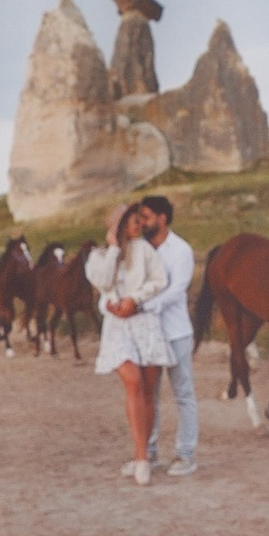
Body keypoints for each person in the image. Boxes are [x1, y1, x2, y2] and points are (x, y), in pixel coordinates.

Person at [86, 196, 170, 486]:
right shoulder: (98, 257)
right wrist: (112, 249)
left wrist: (135, 298)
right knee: (133, 382)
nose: (140, 225)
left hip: (144, 324)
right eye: (134, 221)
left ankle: (140, 456)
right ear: (118, 225)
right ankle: (142, 459)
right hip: (117, 328)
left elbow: (160, 281)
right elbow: (103, 283)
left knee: (148, 391)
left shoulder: (145, 249)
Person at [137, 191, 201, 475]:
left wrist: (143, 305)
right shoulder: (141, 249)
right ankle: (148, 454)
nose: (141, 222)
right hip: (148, 333)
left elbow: (177, 290)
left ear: (162, 219)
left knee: (183, 394)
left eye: (146, 217)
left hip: (175, 332)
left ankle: (185, 455)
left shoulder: (181, 250)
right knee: (149, 395)